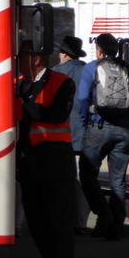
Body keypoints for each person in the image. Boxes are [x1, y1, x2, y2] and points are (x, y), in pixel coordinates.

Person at [16, 40, 77, 258]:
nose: (18, 60)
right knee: (38, 223)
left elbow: (56, 115)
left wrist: (21, 106)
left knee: (57, 223)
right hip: (29, 164)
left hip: (54, 163)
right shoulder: (19, 82)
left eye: (22, 55)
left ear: (37, 58)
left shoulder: (62, 82)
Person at [75, 33, 129, 241]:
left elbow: (82, 98)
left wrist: (83, 120)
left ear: (99, 50)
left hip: (98, 126)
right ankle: (116, 227)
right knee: (118, 181)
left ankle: (104, 214)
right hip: (124, 130)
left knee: (87, 175)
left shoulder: (92, 67)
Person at [51, 35, 91, 233]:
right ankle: (81, 221)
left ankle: (63, 220)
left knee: (65, 180)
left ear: (64, 54)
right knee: (84, 181)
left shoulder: (55, 74)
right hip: (87, 135)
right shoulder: (89, 71)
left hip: (62, 136)